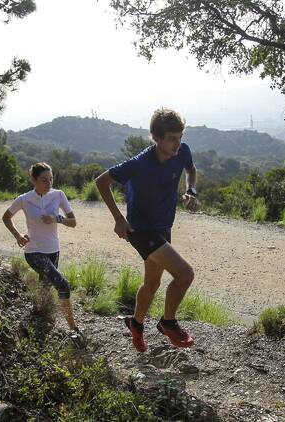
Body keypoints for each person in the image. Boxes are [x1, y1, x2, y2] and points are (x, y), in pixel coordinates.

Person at [95, 107, 198, 353]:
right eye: (172, 139)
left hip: (163, 227)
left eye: (180, 137)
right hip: (140, 229)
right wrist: (119, 218)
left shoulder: (182, 151)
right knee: (185, 274)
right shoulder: (140, 163)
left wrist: (190, 191)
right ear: (157, 138)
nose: (177, 144)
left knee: (152, 283)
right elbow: (101, 181)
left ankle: (136, 325)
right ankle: (168, 323)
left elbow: (191, 170)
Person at [2, 162, 84, 345]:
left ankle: (38, 319)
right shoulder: (23, 199)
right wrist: (17, 235)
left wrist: (56, 218)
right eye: (44, 180)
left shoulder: (58, 195)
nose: (48, 183)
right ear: (33, 179)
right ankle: (74, 329)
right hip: (33, 251)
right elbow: (6, 217)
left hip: (53, 249)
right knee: (62, 285)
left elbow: (73, 221)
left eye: (51, 179)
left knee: (45, 288)